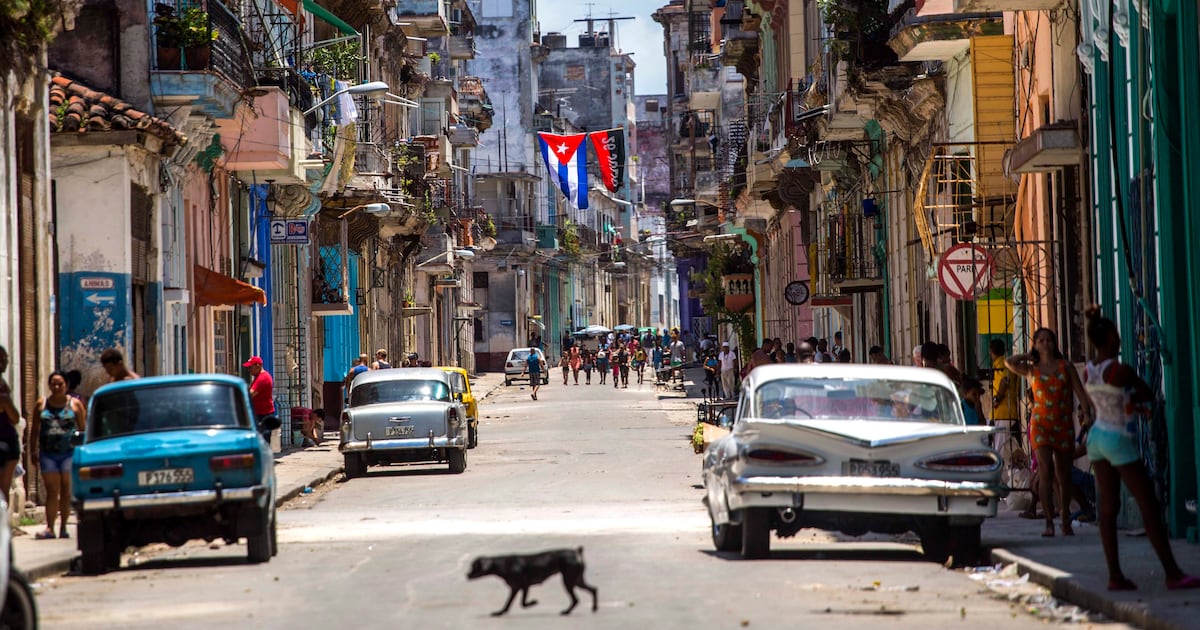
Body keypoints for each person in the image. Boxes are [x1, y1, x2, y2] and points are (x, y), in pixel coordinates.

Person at [1082, 305, 1200, 591]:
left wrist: (1128, 402)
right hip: (1117, 438)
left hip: (1096, 437)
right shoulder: (1120, 370)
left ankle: (1115, 576)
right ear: (1110, 338)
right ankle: (1172, 572)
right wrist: (1134, 401)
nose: (1119, 339)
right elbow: (1147, 393)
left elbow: (1109, 402)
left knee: (1108, 509)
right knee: (1149, 505)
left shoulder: (1088, 372)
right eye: (1116, 335)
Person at [1005, 328, 1093, 537]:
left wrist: (1086, 414)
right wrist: (1028, 355)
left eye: (1049, 340)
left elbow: (1081, 394)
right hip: (1040, 425)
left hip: (1062, 424)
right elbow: (1009, 362)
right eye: (1041, 340)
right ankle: (1048, 521)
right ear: (1036, 344)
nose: (1045, 343)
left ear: (1054, 344)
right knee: (1045, 472)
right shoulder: (1031, 369)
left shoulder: (1066, 367)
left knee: (1063, 475)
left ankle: (1064, 518)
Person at [30, 370, 87, 539]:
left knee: (66, 490)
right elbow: (34, 430)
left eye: (60, 384)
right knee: (52, 491)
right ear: (49, 385)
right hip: (48, 454)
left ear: (66, 385)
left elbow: (83, 430)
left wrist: (83, 452)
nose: (56, 387)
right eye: (53, 384)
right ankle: (50, 527)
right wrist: (33, 450)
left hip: (69, 453)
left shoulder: (75, 405)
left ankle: (63, 527)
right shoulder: (41, 404)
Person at [989, 338, 1021, 473]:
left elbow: (1005, 380)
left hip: (1004, 414)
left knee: (1000, 451)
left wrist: (997, 398)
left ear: (991, 351)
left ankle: (1002, 479)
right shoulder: (1001, 363)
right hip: (1005, 414)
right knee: (1008, 448)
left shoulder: (1002, 364)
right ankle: (1013, 477)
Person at [0, 346, 21, 504]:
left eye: (5, 359)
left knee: (3, 489)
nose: (4, 363)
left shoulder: (3, 385)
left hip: (7, 440)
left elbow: (14, 418)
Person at [244, 357, 276, 443]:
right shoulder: (258, 377)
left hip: (264, 414)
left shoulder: (263, 378)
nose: (249, 370)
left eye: (251, 367)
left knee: (263, 439)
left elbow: (251, 394)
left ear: (258, 366)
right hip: (260, 412)